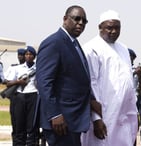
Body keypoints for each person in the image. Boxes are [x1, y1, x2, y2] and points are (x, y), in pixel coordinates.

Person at [36, 5, 97, 146]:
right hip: (61, 120)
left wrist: (92, 100)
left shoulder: (74, 43)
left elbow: (79, 80)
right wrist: (55, 114)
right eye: (77, 19)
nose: (81, 23)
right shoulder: (54, 42)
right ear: (65, 19)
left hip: (74, 118)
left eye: (84, 21)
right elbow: (44, 82)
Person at [81, 10, 138, 146]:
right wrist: (96, 118)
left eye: (117, 28)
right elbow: (91, 84)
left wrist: (134, 113)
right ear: (100, 27)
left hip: (124, 115)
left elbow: (129, 83)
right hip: (105, 115)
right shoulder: (91, 48)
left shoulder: (123, 48)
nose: (113, 31)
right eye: (109, 28)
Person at [4, 46, 38, 145]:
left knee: (31, 126)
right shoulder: (17, 68)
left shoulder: (38, 68)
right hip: (20, 97)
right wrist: (18, 81)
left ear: (34, 56)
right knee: (19, 124)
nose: (28, 56)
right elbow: (8, 84)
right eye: (26, 54)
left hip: (33, 96)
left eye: (30, 54)